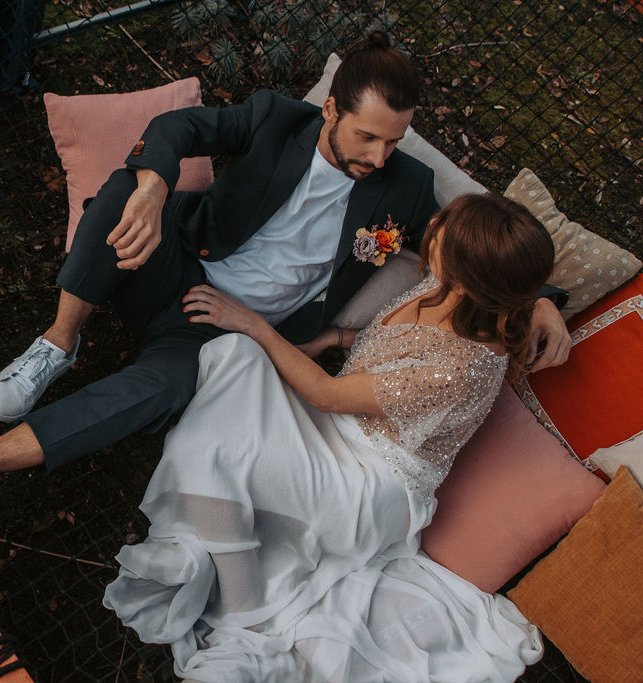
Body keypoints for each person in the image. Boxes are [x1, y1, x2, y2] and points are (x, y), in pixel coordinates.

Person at [0, 33, 571, 545]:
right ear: (331, 108)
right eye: (367, 135)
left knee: (158, 390)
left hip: (224, 332)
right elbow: (178, 130)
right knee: (123, 189)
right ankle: (59, 339)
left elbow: (482, 255)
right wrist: (157, 180)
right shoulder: (277, 119)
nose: (378, 156)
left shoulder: (408, 191)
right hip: (171, 265)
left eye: (393, 142)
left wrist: (536, 297)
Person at [103, 192, 554, 681]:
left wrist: (250, 320)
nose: (435, 227)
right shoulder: (452, 287)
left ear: (471, 281)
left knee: (220, 428)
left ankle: (245, 617)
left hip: (369, 482)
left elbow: (325, 393)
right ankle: (222, 536)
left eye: (444, 231)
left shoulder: (461, 367)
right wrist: (334, 339)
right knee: (234, 359)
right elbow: (394, 350)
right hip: (336, 431)